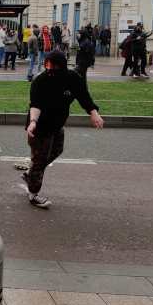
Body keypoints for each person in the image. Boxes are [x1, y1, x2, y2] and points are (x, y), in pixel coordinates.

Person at [22, 50, 104, 208]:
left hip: (57, 124)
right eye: (47, 64)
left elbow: (83, 96)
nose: (50, 68)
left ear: (62, 65)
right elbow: (36, 105)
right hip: (39, 126)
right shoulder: (40, 81)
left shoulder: (72, 78)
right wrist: (33, 122)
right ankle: (33, 195)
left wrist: (93, 112)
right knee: (39, 161)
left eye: (53, 65)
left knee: (56, 151)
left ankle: (30, 175)